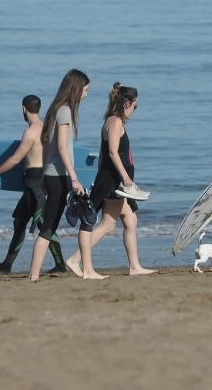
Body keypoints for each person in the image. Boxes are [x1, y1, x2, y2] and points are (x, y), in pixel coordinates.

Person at [65, 83, 155, 278]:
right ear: (126, 104)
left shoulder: (112, 120)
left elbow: (105, 154)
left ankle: (134, 266)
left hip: (115, 181)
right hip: (114, 181)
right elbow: (113, 153)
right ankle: (75, 260)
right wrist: (124, 176)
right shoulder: (115, 122)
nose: (135, 110)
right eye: (135, 106)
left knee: (130, 220)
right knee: (107, 225)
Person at [0, 95, 67, 274]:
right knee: (20, 221)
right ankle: (7, 264)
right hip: (38, 179)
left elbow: (15, 159)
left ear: (24, 109)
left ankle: (60, 265)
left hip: (34, 182)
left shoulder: (30, 132)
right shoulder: (47, 127)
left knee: (43, 224)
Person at [28, 69, 91, 282]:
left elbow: (47, 145)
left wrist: (45, 174)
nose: (86, 94)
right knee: (48, 227)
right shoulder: (64, 112)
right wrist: (74, 177)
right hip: (60, 175)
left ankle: (34, 274)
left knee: (50, 226)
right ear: (76, 88)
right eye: (85, 89)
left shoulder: (55, 110)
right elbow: (62, 148)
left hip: (52, 175)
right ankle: (33, 274)